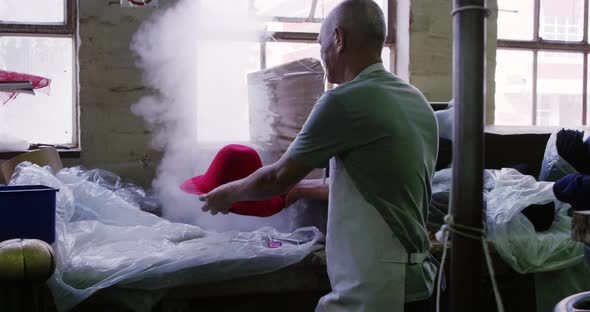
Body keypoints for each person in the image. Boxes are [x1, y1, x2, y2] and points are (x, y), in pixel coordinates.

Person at [199, 0, 439, 310]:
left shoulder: (344, 100)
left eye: (320, 43)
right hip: (417, 280)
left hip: (379, 284)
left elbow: (276, 177)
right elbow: (378, 183)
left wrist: (228, 193)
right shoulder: (414, 100)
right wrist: (301, 189)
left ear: (338, 39)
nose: (321, 54)